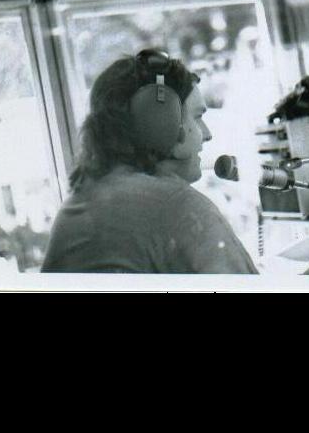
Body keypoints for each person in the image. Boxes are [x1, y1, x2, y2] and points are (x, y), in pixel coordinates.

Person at [41, 48, 259, 274]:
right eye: (197, 117)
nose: (207, 134)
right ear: (162, 121)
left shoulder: (76, 205)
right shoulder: (177, 205)